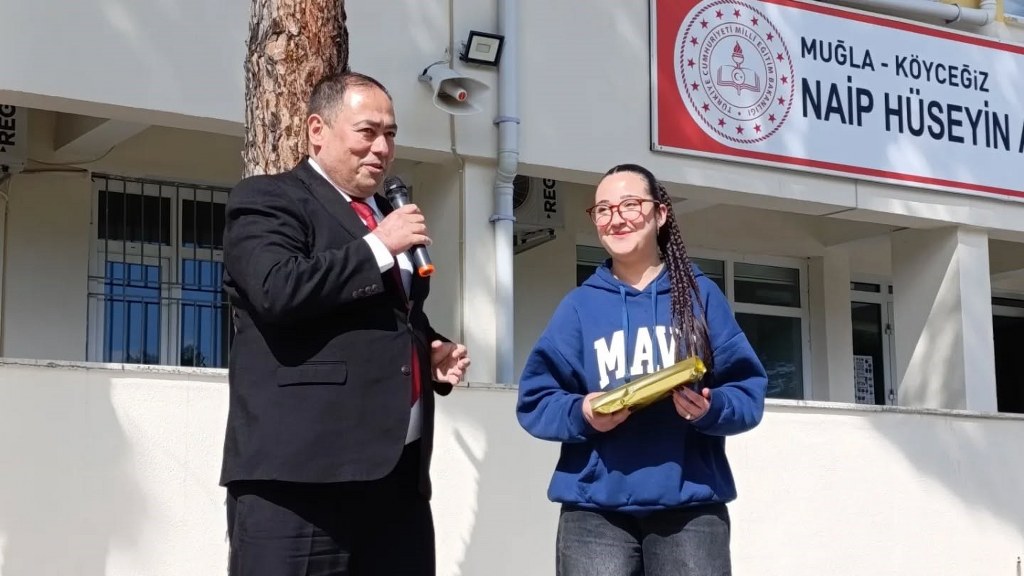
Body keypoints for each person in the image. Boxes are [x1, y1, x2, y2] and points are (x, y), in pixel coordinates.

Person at [220, 71, 470, 576]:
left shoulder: (383, 216)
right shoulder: (269, 198)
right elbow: (277, 289)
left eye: (391, 134)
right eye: (367, 131)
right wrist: (380, 246)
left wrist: (430, 349)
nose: (382, 148)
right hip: (301, 480)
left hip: (396, 481)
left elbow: (392, 316)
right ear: (318, 130)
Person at [516, 163, 767, 576]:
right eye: (603, 209)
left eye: (630, 204)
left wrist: (710, 408)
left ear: (661, 213)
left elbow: (747, 392)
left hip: (691, 508)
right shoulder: (579, 306)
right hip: (593, 512)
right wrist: (585, 413)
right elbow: (536, 402)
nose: (616, 218)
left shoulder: (701, 296)